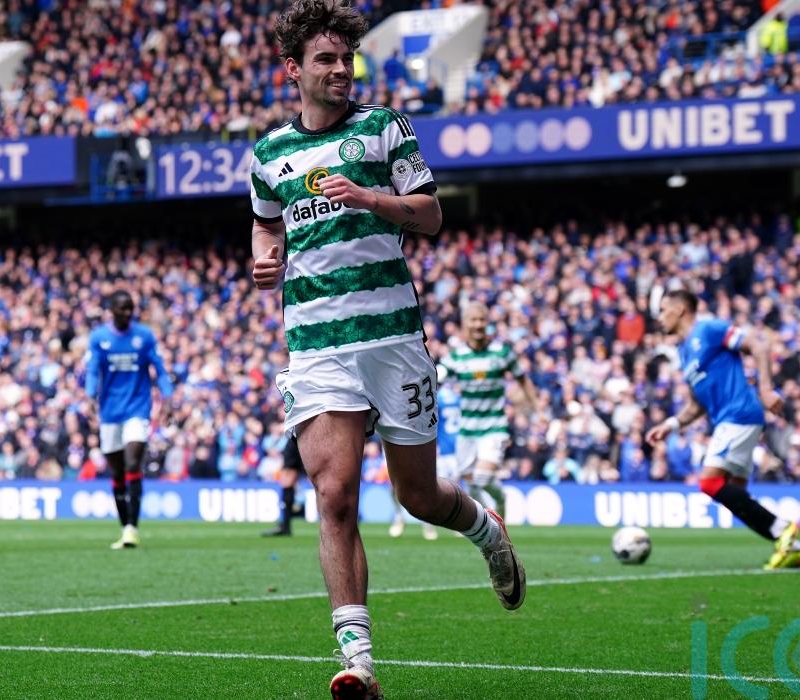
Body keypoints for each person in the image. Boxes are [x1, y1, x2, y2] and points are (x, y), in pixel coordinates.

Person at [248, 2, 525, 697]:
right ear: (293, 70)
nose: (341, 70)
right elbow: (265, 224)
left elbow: (430, 214)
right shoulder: (269, 155)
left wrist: (370, 198)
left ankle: (487, 533)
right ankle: (359, 661)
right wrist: (265, 255)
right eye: (326, 60)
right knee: (334, 494)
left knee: (418, 496)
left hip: (393, 338)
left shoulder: (383, 128)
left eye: (346, 59)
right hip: (315, 343)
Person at [645, 289, 800, 570]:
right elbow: (697, 404)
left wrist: (766, 389)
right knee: (734, 492)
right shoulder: (684, 352)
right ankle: (793, 549)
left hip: (738, 414)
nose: (659, 317)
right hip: (730, 419)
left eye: (663, 310)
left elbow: (758, 346)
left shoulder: (709, 329)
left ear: (680, 309)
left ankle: (783, 528)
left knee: (709, 483)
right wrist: (670, 425)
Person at [84, 291, 173, 550]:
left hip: (138, 408)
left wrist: (167, 397)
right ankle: (125, 527)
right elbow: (93, 370)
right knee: (117, 472)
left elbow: (160, 369)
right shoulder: (99, 338)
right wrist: (89, 396)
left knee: (133, 461)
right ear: (111, 310)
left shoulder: (144, 336)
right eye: (123, 308)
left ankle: (133, 528)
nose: (128, 313)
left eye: (131, 308)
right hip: (110, 412)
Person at [438, 302, 539, 521]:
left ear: (488, 323)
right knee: (472, 485)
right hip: (467, 430)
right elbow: (436, 377)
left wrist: (537, 409)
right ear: (465, 324)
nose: (478, 324)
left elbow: (523, 379)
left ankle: (500, 500)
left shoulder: (502, 353)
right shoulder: (456, 357)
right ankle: (490, 524)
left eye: (482, 320)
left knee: (483, 477)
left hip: (494, 426)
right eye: (473, 320)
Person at [263, 435, 307, 536]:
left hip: (297, 434)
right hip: (303, 435)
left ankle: (285, 525)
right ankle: (285, 524)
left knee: (287, 479)